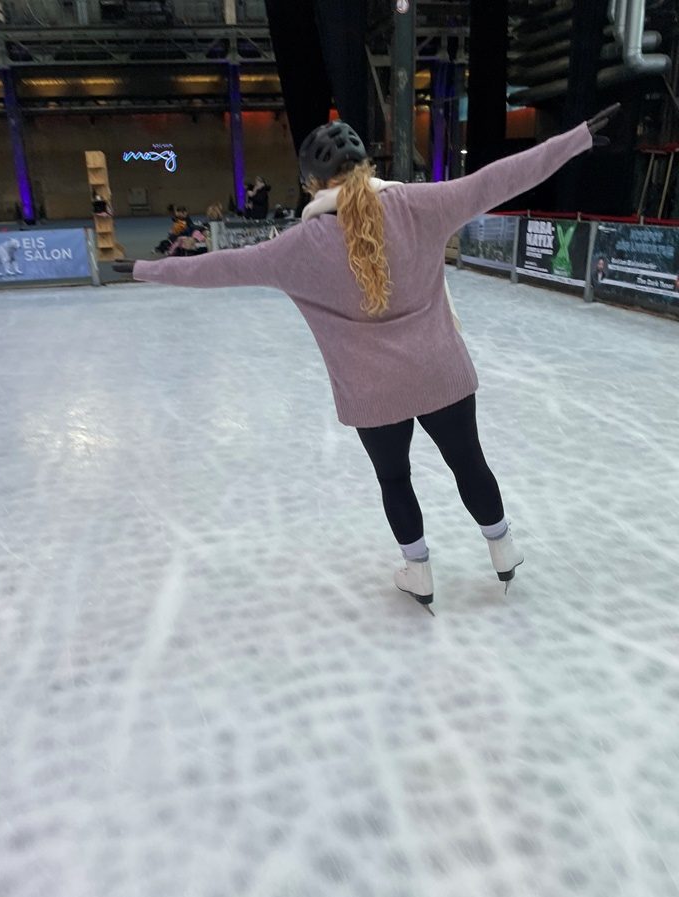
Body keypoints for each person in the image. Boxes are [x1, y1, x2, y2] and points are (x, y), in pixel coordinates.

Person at [113, 105, 619, 609]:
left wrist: (145, 269)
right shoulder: (419, 205)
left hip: (372, 391)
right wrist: (571, 140)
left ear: (312, 185)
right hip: (440, 371)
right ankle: (502, 547)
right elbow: (496, 181)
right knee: (469, 463)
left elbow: (220, 268)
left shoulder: (297, 247)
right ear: (368, 166)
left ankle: (418, 571)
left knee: (394, 478)